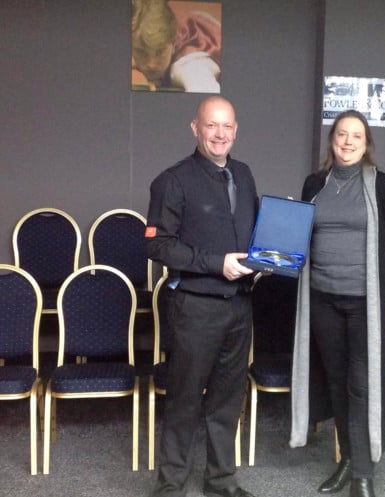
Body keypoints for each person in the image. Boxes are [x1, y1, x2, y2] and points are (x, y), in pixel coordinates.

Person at [289, 110, 385, 497]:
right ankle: (347, 459)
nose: (347, 142)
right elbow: (301, 235)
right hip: (323, 300)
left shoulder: (380, 185)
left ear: (366, 144)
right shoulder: (315, 184)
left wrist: (382, 275)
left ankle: (362, 473)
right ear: (332, 140)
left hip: (367, 306)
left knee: (361, 385)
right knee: (338, 382)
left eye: (356, 136)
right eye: (341, 134)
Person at [145, 96, 258, 497]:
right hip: (195, 307)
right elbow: (157, 245)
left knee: (227, 400)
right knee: (185, 400)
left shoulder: (243, 174)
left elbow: (253, 233)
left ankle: (220, 481)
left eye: (227, 126)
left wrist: (267, 257)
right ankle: (171, 486)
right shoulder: (172, 180)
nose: (220, 134)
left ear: (236, 130)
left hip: (239, 306)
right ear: (195, 128)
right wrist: (215, 263)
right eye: (211, 125)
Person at [132, 0, 221, 93]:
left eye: (160, 51)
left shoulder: (190, 67)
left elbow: (208, 94)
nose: (151, 64)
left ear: (173, 42)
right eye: (141, 51)